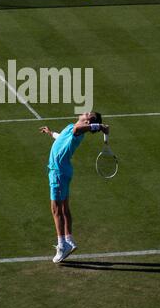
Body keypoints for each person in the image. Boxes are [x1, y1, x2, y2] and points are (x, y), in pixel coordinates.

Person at [40, 112, 109, 263]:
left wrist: (99, 126)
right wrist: (51, 133)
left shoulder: (78, 131)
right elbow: (61, 138)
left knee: (55, 210)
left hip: (58, 172)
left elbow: (78, 130)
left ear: (89, 119)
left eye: (87, 113)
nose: (84, 112)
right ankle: (69, 240)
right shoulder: (72, 127)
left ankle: (61, 246)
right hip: (62, 171)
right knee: (64, 208)